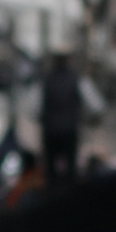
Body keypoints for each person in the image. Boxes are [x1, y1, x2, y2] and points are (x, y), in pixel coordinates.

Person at [39, 50, 85, 185]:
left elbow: (33, 109)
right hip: (70, 130)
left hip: (50, 131)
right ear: (69, 61)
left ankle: (50, 195)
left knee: (50, 170)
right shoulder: (77, 79)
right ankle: (69, 194)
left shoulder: (46, 80)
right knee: (71, 167)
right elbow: (97, 107)